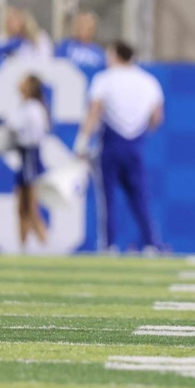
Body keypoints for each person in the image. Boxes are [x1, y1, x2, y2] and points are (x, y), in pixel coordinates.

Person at [75, 41, 165, 254]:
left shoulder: (104, 79)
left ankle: (109, 244)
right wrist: (140, 131)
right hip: (136, 145)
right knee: (139, 197)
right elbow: (157, 117)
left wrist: (82, 142)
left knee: (108, 198)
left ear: (115, 55)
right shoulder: (148, 81)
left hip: (112, 143)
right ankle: (151, 243)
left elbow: (94, 112)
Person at [6, 74, 50, 249]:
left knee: (31, 207)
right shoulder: (25, 107)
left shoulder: (34, 108)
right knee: (21, 208)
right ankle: (23, 247)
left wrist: (15, 137)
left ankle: (45, 243)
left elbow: (35, 136)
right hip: (24, 158)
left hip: (31, 157)